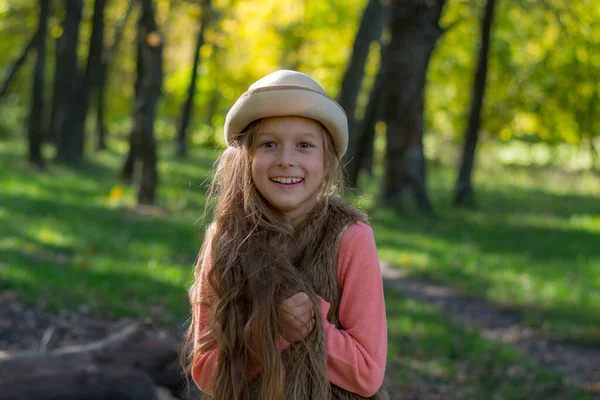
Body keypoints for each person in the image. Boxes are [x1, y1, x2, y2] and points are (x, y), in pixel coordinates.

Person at [183, 70, 388, 400]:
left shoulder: (351, 239)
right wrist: (269, 332)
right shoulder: (224, 240)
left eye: (304, 145)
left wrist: (311, 325)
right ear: (246, 157)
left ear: (327, 160)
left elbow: (367, 373)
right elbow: (206, 371)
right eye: (269, 144)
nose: (286, 160)